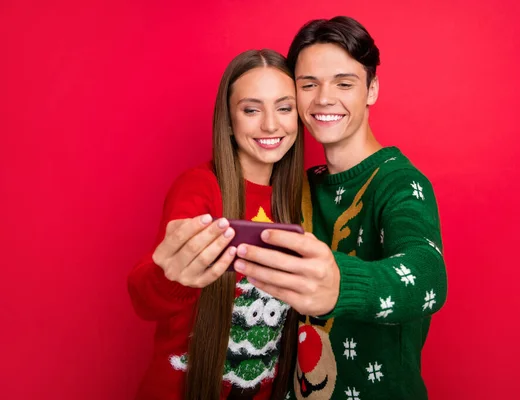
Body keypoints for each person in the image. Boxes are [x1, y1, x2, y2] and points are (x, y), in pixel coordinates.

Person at [232, 17, 448, 399]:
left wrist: (340, 284)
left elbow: (427, 274)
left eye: (344, 83)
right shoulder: (295, 185)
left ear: (372, 89)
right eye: (308, 84)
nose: (324, 98)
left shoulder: (399, 182)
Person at [127, 49, 304, 400]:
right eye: (251, 109)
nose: (271, 124)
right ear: (228, 120)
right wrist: (170, 276)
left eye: (284, 108)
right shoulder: (199, 187)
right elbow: (144, 296)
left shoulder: (298, 200)